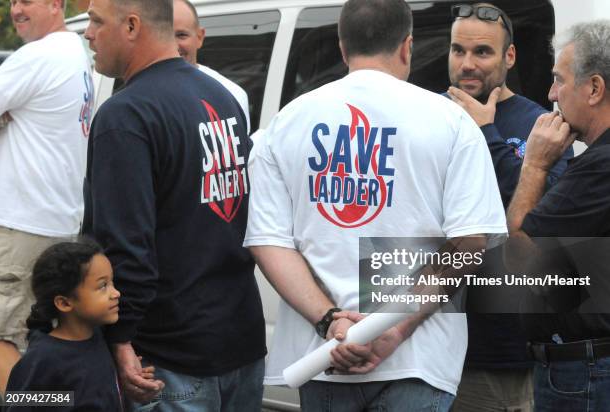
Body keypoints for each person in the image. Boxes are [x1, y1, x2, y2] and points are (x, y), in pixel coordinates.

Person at [244, 0, 506, 410]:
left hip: (324, 355)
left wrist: (331, 321)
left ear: (342, 48)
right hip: (419, 359)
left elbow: (268, 242)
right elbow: (469, 244)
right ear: (407, 46)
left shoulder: (285, 124)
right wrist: (394, 330)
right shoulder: (452, 123)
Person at [83, 0, 266, 410]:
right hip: (240, 341)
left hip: (167, 356)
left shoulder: (125, 116)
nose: (87, 33)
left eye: (96, 21)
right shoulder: (222, 96)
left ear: (132, 25)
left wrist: (120, 338)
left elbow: (125, 245)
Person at [445, 4, 572, 411]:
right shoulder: (425, 115)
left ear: (509, 57)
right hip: (434, 340)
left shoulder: (541, 125)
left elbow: (544, 216)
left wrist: (487, 130)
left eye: (482, 52)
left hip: (508, 351)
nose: (467, 64)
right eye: (457, 50)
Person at [507, 20, 610, 411]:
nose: (551, 95)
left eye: (559, 80)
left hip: (584, 373)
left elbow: (518, 255)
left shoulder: (600, 166)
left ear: (595, 88)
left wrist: (534, 164)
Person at [0, 0, 93, 396]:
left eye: (27, 0)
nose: (16, 10)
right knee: (40, 342)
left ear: (56, 4)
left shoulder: (37, 55)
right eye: (13, 1)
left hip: (22, 226)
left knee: (4, 340)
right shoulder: (76, 51)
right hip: (57, 225)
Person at [5, 241, 125, 411]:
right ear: (64, 303)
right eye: (102, 286)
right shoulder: (44, 359)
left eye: (112, 282)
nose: (116, 293)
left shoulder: (98, 336)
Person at [173, 0, 251, 134]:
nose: (173, 45)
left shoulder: (232, 94)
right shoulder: (137, 93)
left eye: (181, 35)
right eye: (163, 36)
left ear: (200, 37)